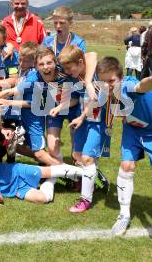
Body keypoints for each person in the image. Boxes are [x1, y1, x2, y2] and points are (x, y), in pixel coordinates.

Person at [96, 57, 152, 236]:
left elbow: (141, 86)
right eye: (103, 81)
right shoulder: (104, 92)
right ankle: (124, 214)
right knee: (126, 165)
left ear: (121, 78)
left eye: (111, 81)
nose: (108, 85)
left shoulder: (128, 84)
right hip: (133, 129)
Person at [58, 45, 112, 213]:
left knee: (87, 158)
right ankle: (96, 179)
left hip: (99, 123)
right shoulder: (77, 77)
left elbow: (92, 53)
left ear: (80, 62)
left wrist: (89, 82)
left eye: (69, 67)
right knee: (78, 156)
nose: (67, 71)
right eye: (65, 68)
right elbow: (83, 101)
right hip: (84, 120)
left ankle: (85, 200)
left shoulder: (96, 72)